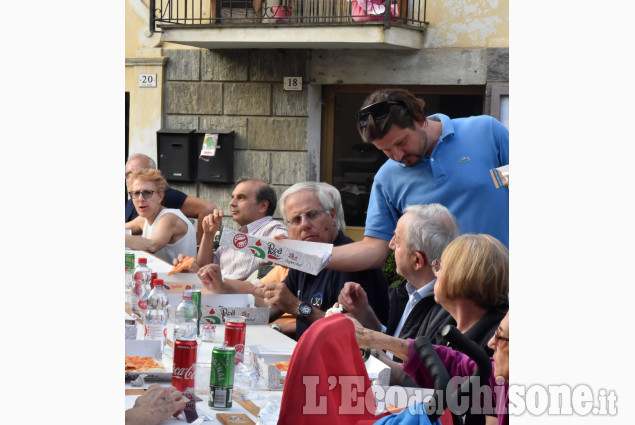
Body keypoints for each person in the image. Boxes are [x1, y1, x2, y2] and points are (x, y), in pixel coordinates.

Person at [328, 88, 509, 272]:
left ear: (419, 118)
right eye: (386, 150)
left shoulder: (486, 131)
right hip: (441, 296)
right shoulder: (387, 177)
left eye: (401, 142)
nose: (397, 155)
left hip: (504, 283)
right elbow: (374, 249)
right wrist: (305, 258)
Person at [199, 182, 390, 340]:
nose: (305, 225)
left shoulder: (350, 261)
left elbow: (352, 334)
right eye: (296, 220)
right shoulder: (306, 258)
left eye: (312, 215)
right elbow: (270, 309)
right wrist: (216, 305)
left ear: (332, 216)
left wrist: (296, 307)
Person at [337, 204, 458, 385]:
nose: (391, 244)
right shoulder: (408, 291)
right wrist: (364, 313)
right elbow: (397, 345)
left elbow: (422, 381)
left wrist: (367, 345)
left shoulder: (449, 310)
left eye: (398, 240)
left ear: (417, 260)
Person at [176, 177, 287, 283]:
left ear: (263, 206)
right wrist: (208, 234)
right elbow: (204, 268)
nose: (232, 203)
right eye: (233, 197)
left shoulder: (273, 229)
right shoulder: (235, 237)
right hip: (216, 296)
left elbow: (286, 261)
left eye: (241, 197)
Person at [125, 153, 217, 244]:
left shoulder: (167, 207)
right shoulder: (134, 203)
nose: (141, 199)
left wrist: (200, 245)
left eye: (140, 173)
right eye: (128, 175)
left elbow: (207, 208)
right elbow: (134, 225)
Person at [125, 169, 197, 264]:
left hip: (182, 278)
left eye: (147, 193)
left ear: (160, 196)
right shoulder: (145, 219)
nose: (141, 199)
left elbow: (152, 245)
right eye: (136, 193)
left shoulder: (168, 217)